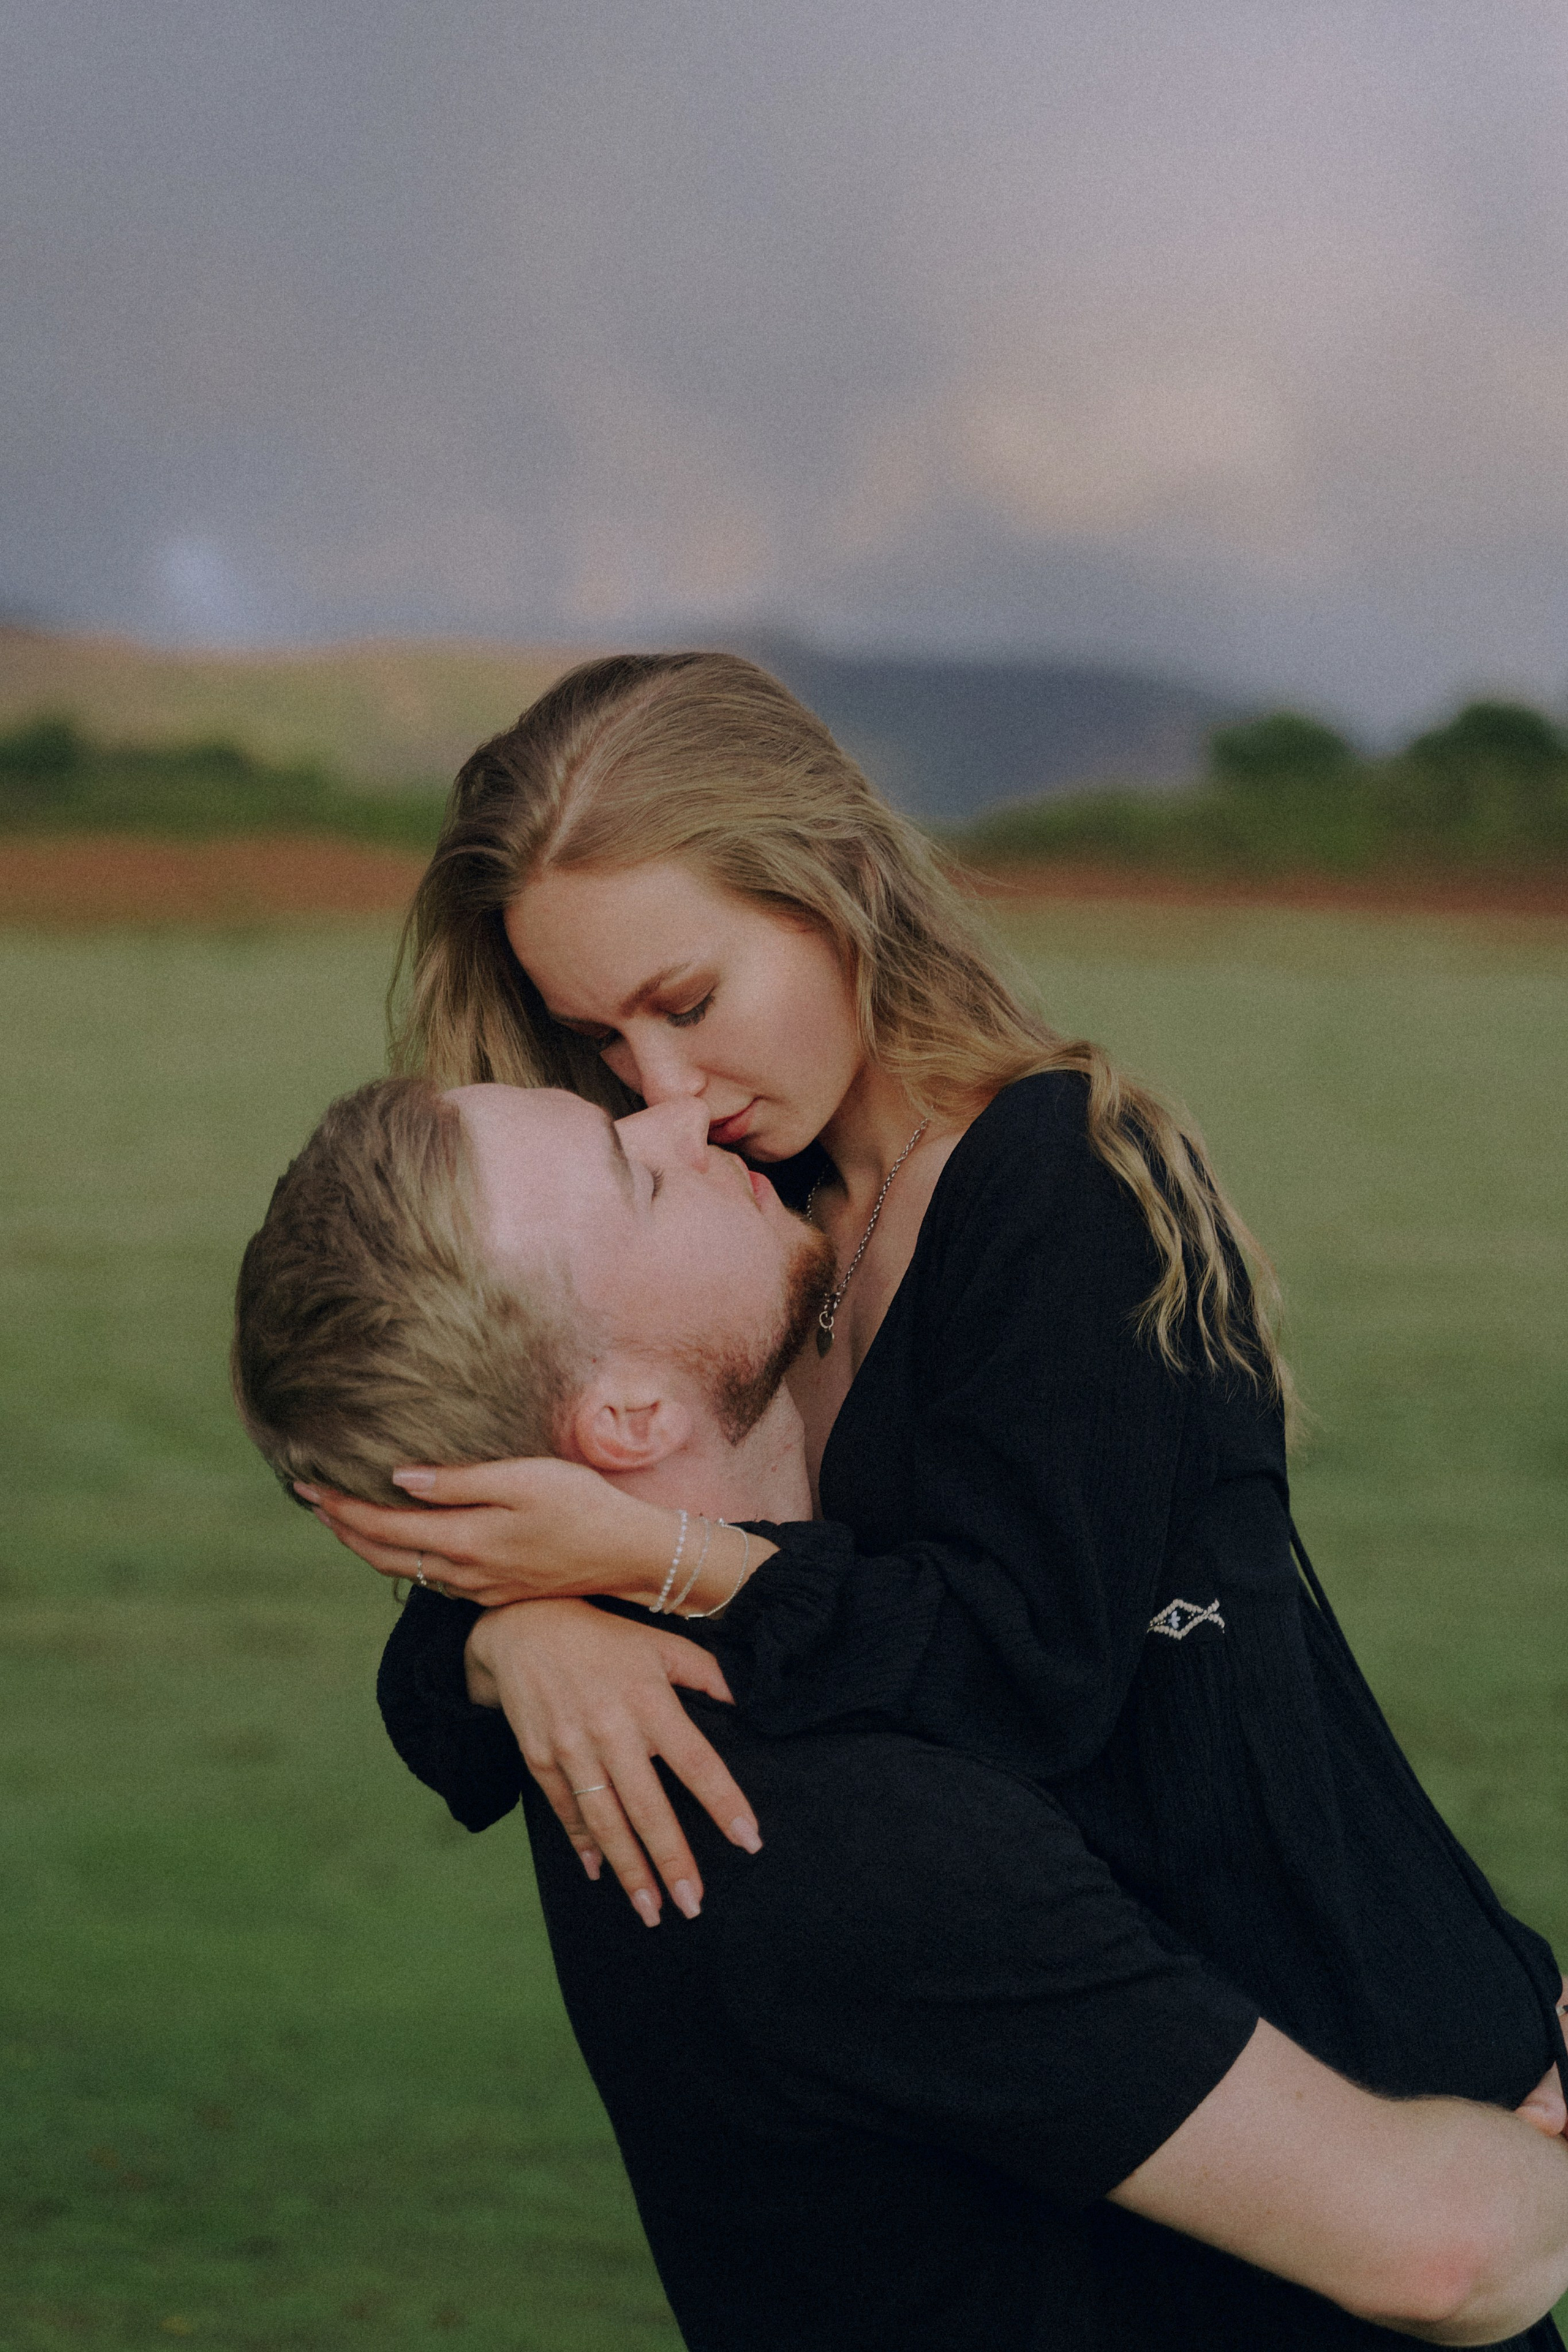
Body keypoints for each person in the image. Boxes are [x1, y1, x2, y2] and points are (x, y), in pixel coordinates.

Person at [296, 652, 1568, 2342]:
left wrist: (661, 1561)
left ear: (832, 887)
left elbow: (1030, 1670)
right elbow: (450, 1632)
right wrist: (517, 1631)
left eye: (686, 999)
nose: (662, 1088)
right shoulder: (757, 1216)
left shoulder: (1053, 1184)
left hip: (1351, 2060)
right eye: (598, 1036)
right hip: (1109, 2112)